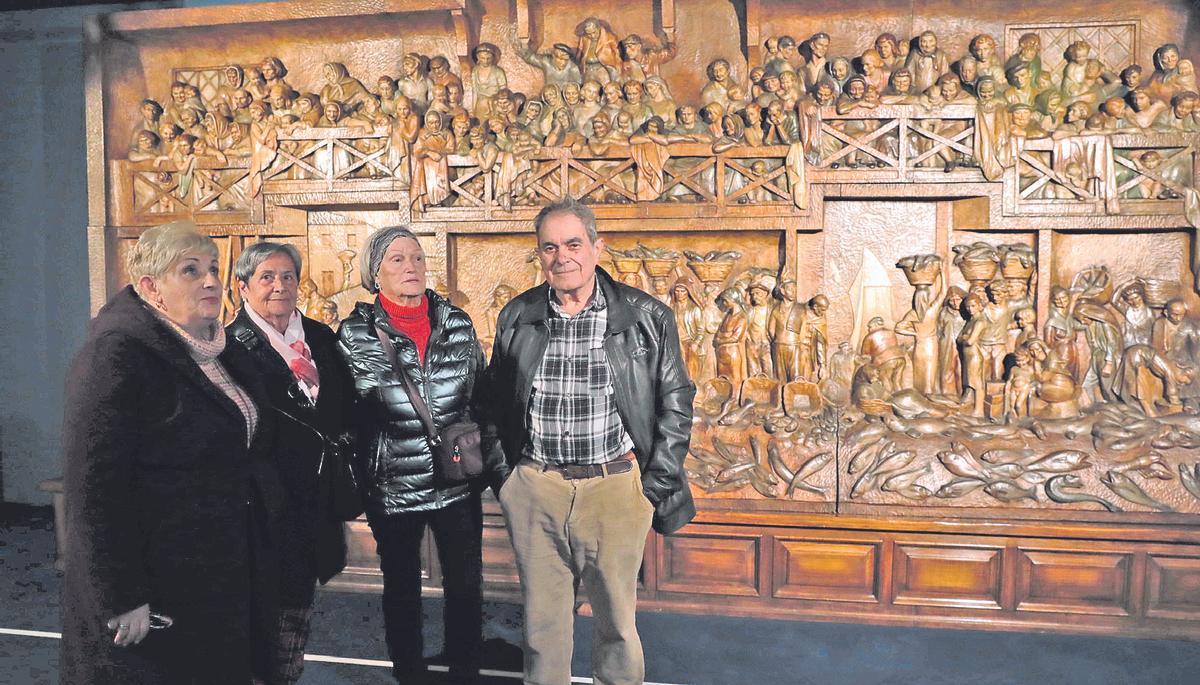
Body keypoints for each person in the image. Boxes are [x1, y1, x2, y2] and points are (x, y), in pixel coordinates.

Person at [482, 198, 696, 685]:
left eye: (574, 244)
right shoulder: (518, 315)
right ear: (540, 254)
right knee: (542, 629)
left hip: (614, 491)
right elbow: (492, 401)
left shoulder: (646, 316)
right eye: (550, 247)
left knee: (617, 625)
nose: (562, 257)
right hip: (536, 489)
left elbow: (676, 401)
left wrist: (651, 487)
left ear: (598, 248)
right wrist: (506, 480)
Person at [61, 220, 283, 683]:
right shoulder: (116, 355)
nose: (210, 280)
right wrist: (122, 594)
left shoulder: (220, 348)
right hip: (156, 583)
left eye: (213, 268)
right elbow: (95, 488)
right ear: (150, 287)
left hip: (216, 572)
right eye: (190, 270)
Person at [337, 226, 490, 684]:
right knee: (401, 587)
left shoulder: (457, 323)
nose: (412, 267)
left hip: (456, 477)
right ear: (375, 273)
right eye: (398, 259)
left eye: (418, 258)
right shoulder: (354, 334)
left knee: (466, 585)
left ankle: (465, 671)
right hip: (393, 483)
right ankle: (409, 673)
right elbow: (347, 413)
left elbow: (480, 393)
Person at [226, 242, 354, 684]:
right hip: (262, 505)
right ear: (243, 287)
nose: (279, 286)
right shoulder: (229, 347)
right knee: (263, 610)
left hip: (316, 498)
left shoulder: (321, 337)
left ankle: (286, 673)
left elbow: (343, 409)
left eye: (287, 277)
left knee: (297, 607)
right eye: (266, 277)